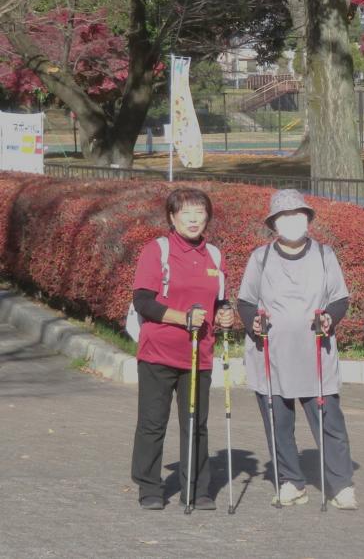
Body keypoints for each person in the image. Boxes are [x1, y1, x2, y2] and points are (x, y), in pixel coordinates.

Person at [237, 189, 357, 510]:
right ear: (274, 223)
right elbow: (246, 301)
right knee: (279, 423)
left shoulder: (324, 254)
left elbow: (340, 298)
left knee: (329, 422)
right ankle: (291, 481)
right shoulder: (259, 258)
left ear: (307, 219)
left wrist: (331, 317)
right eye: (284, 217)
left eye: (298, 215)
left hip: (316, 353)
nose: (292, 221)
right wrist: (254, 323)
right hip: (271, 355)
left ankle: (341, 484)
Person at [131, 188, 234, 511]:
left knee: (196, 424)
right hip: (158, 352)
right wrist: (182, 318)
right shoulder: (157, 251)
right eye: (186, 213)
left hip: (198, 353)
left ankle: (197, 488)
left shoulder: (214, 256)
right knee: (153, 421)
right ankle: (149, 486)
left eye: (199, 212)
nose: (193, 219)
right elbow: (143, 301)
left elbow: (219, 300)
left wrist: (226, 313)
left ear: (208, 217)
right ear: (172, 218)